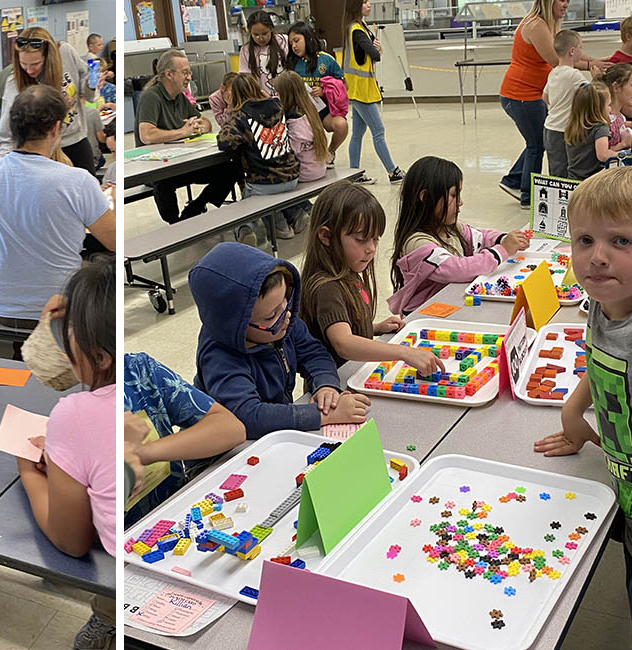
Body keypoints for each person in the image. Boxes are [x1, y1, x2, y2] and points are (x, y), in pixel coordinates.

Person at [530, 168, 632, 648]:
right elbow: (600, 362)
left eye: (621, 241)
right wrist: (575, 413)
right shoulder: (601, 302)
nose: (597, 257)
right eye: (585, 239)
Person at [16, 258, 116, 650]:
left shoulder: (73, 414)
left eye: (68, 331)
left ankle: (109, 618)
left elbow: (70, 541)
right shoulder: (141, 369)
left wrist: (28, 468)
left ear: (99, 354)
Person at [188, 241, 370, 439]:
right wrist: (318, 416)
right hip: (221, 456)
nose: (286, 316)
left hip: (269, 437)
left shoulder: (281, 321)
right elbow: (248, 417)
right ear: (237, 325)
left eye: (286, 300)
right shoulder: (219, 357)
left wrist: (326, 384)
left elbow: (313, 352)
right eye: (270, 316)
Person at [0, 85, 114, 338]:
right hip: (58, 308)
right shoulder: (77, 181)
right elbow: (114, 241)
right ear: (56, 129)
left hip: (2, 307)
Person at [300, 180, 445, 376]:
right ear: (326, 236)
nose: (371, 248)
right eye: (361, 239)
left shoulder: (348, 271)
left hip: (355, 375)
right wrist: (404, 353)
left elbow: (343, 327)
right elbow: (343, 343)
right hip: (335, 388)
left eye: (376, 238)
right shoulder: (327, 287)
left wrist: (374, 328)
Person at [498, 0, 609, 209]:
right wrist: (592, 67)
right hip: (520, 94)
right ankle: (528, 197)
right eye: (562, 0)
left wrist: (594, 61)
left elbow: (569, 52)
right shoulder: (536, 25)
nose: (566, 4)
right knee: (536, 145)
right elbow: (555, 58)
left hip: (535, 94)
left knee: (538, 140)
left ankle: (513, 179)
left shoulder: (551, 24)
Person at [388, 156, 530, 315]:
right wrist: (502, 250)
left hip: (451, 304)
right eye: (454, 195)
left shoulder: (448, 227)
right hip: (425, 315)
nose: (460, 202)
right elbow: (457, 269)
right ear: (426, 197)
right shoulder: (417, 243)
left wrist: (504, 239)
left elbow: (480, 236)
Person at [123, 352, 246, 527]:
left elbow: (232, 429)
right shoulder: (77, 417)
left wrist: (144, 453)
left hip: (177, 507)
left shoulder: (138, 369)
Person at [135, 49, 237, 224]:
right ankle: (175, 225)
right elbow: (146, 135)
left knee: (231, 168)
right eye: (185, 72)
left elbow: (206, 123)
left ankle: (195, 209)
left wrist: (197, 127)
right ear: (169, 74)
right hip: (158, 167)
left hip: (183, 161)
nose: (189, 77)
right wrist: (183, 132)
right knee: (163, 183)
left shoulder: (179, 97)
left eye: (189, 72)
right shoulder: (150, 97)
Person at [0, 27, 97, 174]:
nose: (29, 70)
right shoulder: (14, 82)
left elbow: (88, 93)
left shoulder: (65, 52)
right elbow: (5, 133)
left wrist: (90, 83)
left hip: (75, 143)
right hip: (40, 154)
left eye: (35, 64)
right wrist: (10, 167)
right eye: (24, 64)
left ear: (48, 57)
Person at [218, 74, 300, 243]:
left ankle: (245, 230)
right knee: (270, 196)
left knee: (249, 200)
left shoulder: (240, 116)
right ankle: (285, 224)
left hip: (263, 183)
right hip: (292, 177)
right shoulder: (277, 105)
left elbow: (224, 142)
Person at [341, 0, 404, 185]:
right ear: (356, 6)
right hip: (361, 89)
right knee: (378, 131)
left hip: (357, 87)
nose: (369, 5)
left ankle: (354, 174)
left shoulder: (359, 26)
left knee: (358, 132)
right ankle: (393, 172)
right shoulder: (357, 30)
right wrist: (376, 49)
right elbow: (375, 54)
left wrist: (375, 48)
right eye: (365, 2)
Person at [286, 21, 349, 165]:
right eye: (291, 43)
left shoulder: (326, 60)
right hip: (302, 115)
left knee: (341, 125)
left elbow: (344, 86)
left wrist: (324, 90)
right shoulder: (290, 63)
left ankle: (330, 152)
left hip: (324, 111)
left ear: (308, 38)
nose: (294, 46)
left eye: (296, 41)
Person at [542, 30, 588, 178]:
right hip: (563, 130)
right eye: (580, 47)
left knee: (555, 169)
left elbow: (545, 97)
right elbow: (592, 95)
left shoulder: (553, 72)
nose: (582, 50)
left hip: (549, 127)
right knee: (567, 170)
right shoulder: (574, 75)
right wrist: (598, 77)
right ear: (572, 51)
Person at [565, 82, 614, 181]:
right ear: (598, 109)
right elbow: (603, 155)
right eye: (609, 105)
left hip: (573, 179)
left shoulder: (572, 126)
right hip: (592, 182)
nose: (611, 109)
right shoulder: (601, 128)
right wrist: (624, 155)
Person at [239, 11, 288, 97]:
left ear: (271, 29)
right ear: (250, 32)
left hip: (287, 96)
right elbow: (246, 79)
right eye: (256, 34)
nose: (261, 38)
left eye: (265, 33)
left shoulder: (284, 40)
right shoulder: (245, 50)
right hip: (262, 99)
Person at [599, 63, 632, 149]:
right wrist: (623, 144)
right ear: (616, 87)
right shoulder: (605, 119)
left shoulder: (621, 117)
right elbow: (602, 153)